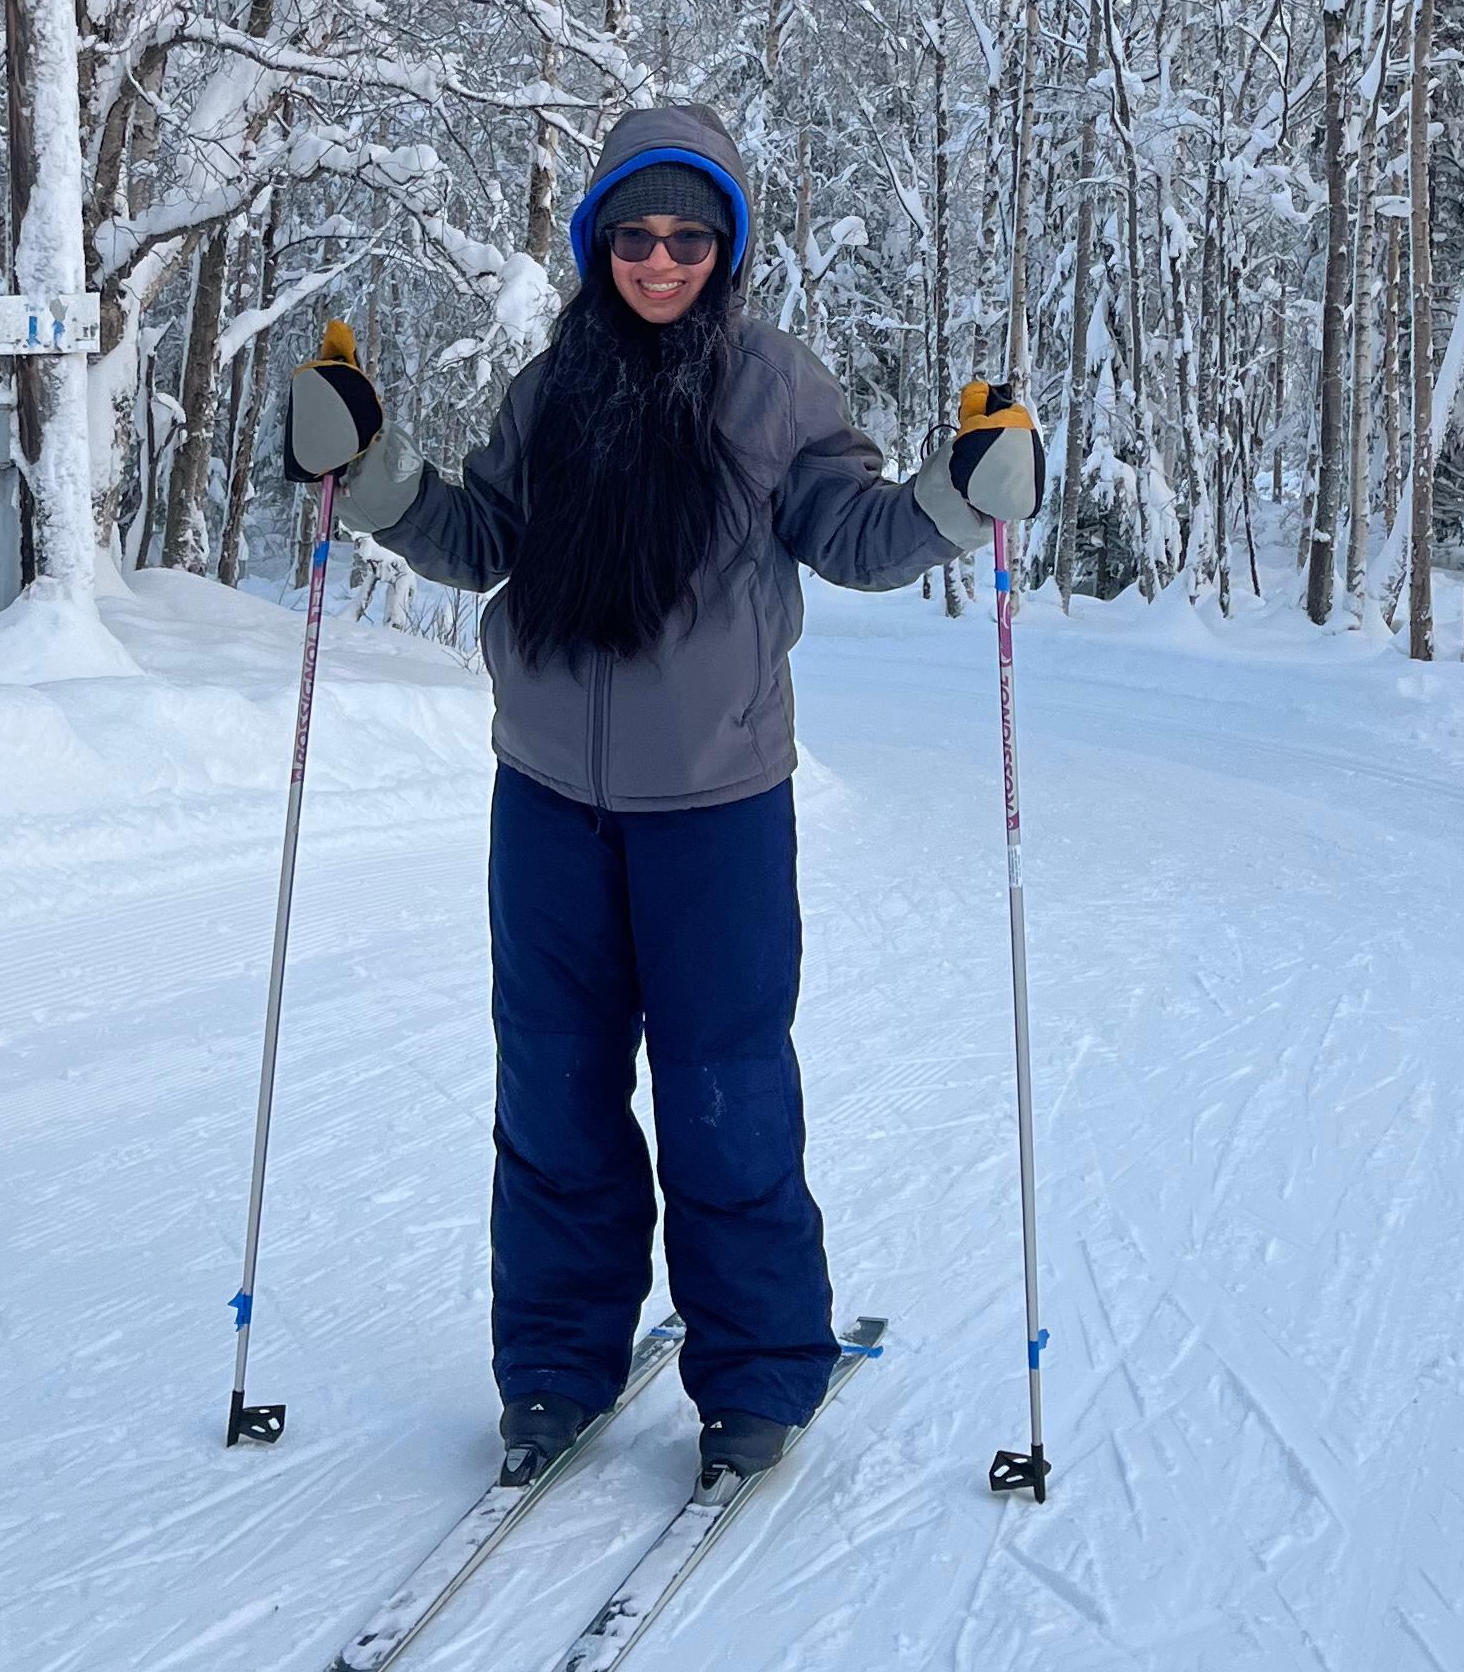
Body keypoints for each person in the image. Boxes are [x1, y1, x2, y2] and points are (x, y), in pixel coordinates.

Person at [287, 103, 1041, 1487]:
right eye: (633, 235)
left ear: (726, 247)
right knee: (555, 1094)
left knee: (723, 1091)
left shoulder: (774, 389)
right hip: (551, 799)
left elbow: (859, 535)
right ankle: (554, 1373)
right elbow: (476, 536)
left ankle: (757, 1373)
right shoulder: (550, 392)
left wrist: (956, 491)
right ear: (598, 244)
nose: (658, 260)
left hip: (718, 807)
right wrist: (373, 467)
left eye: (688, 236)